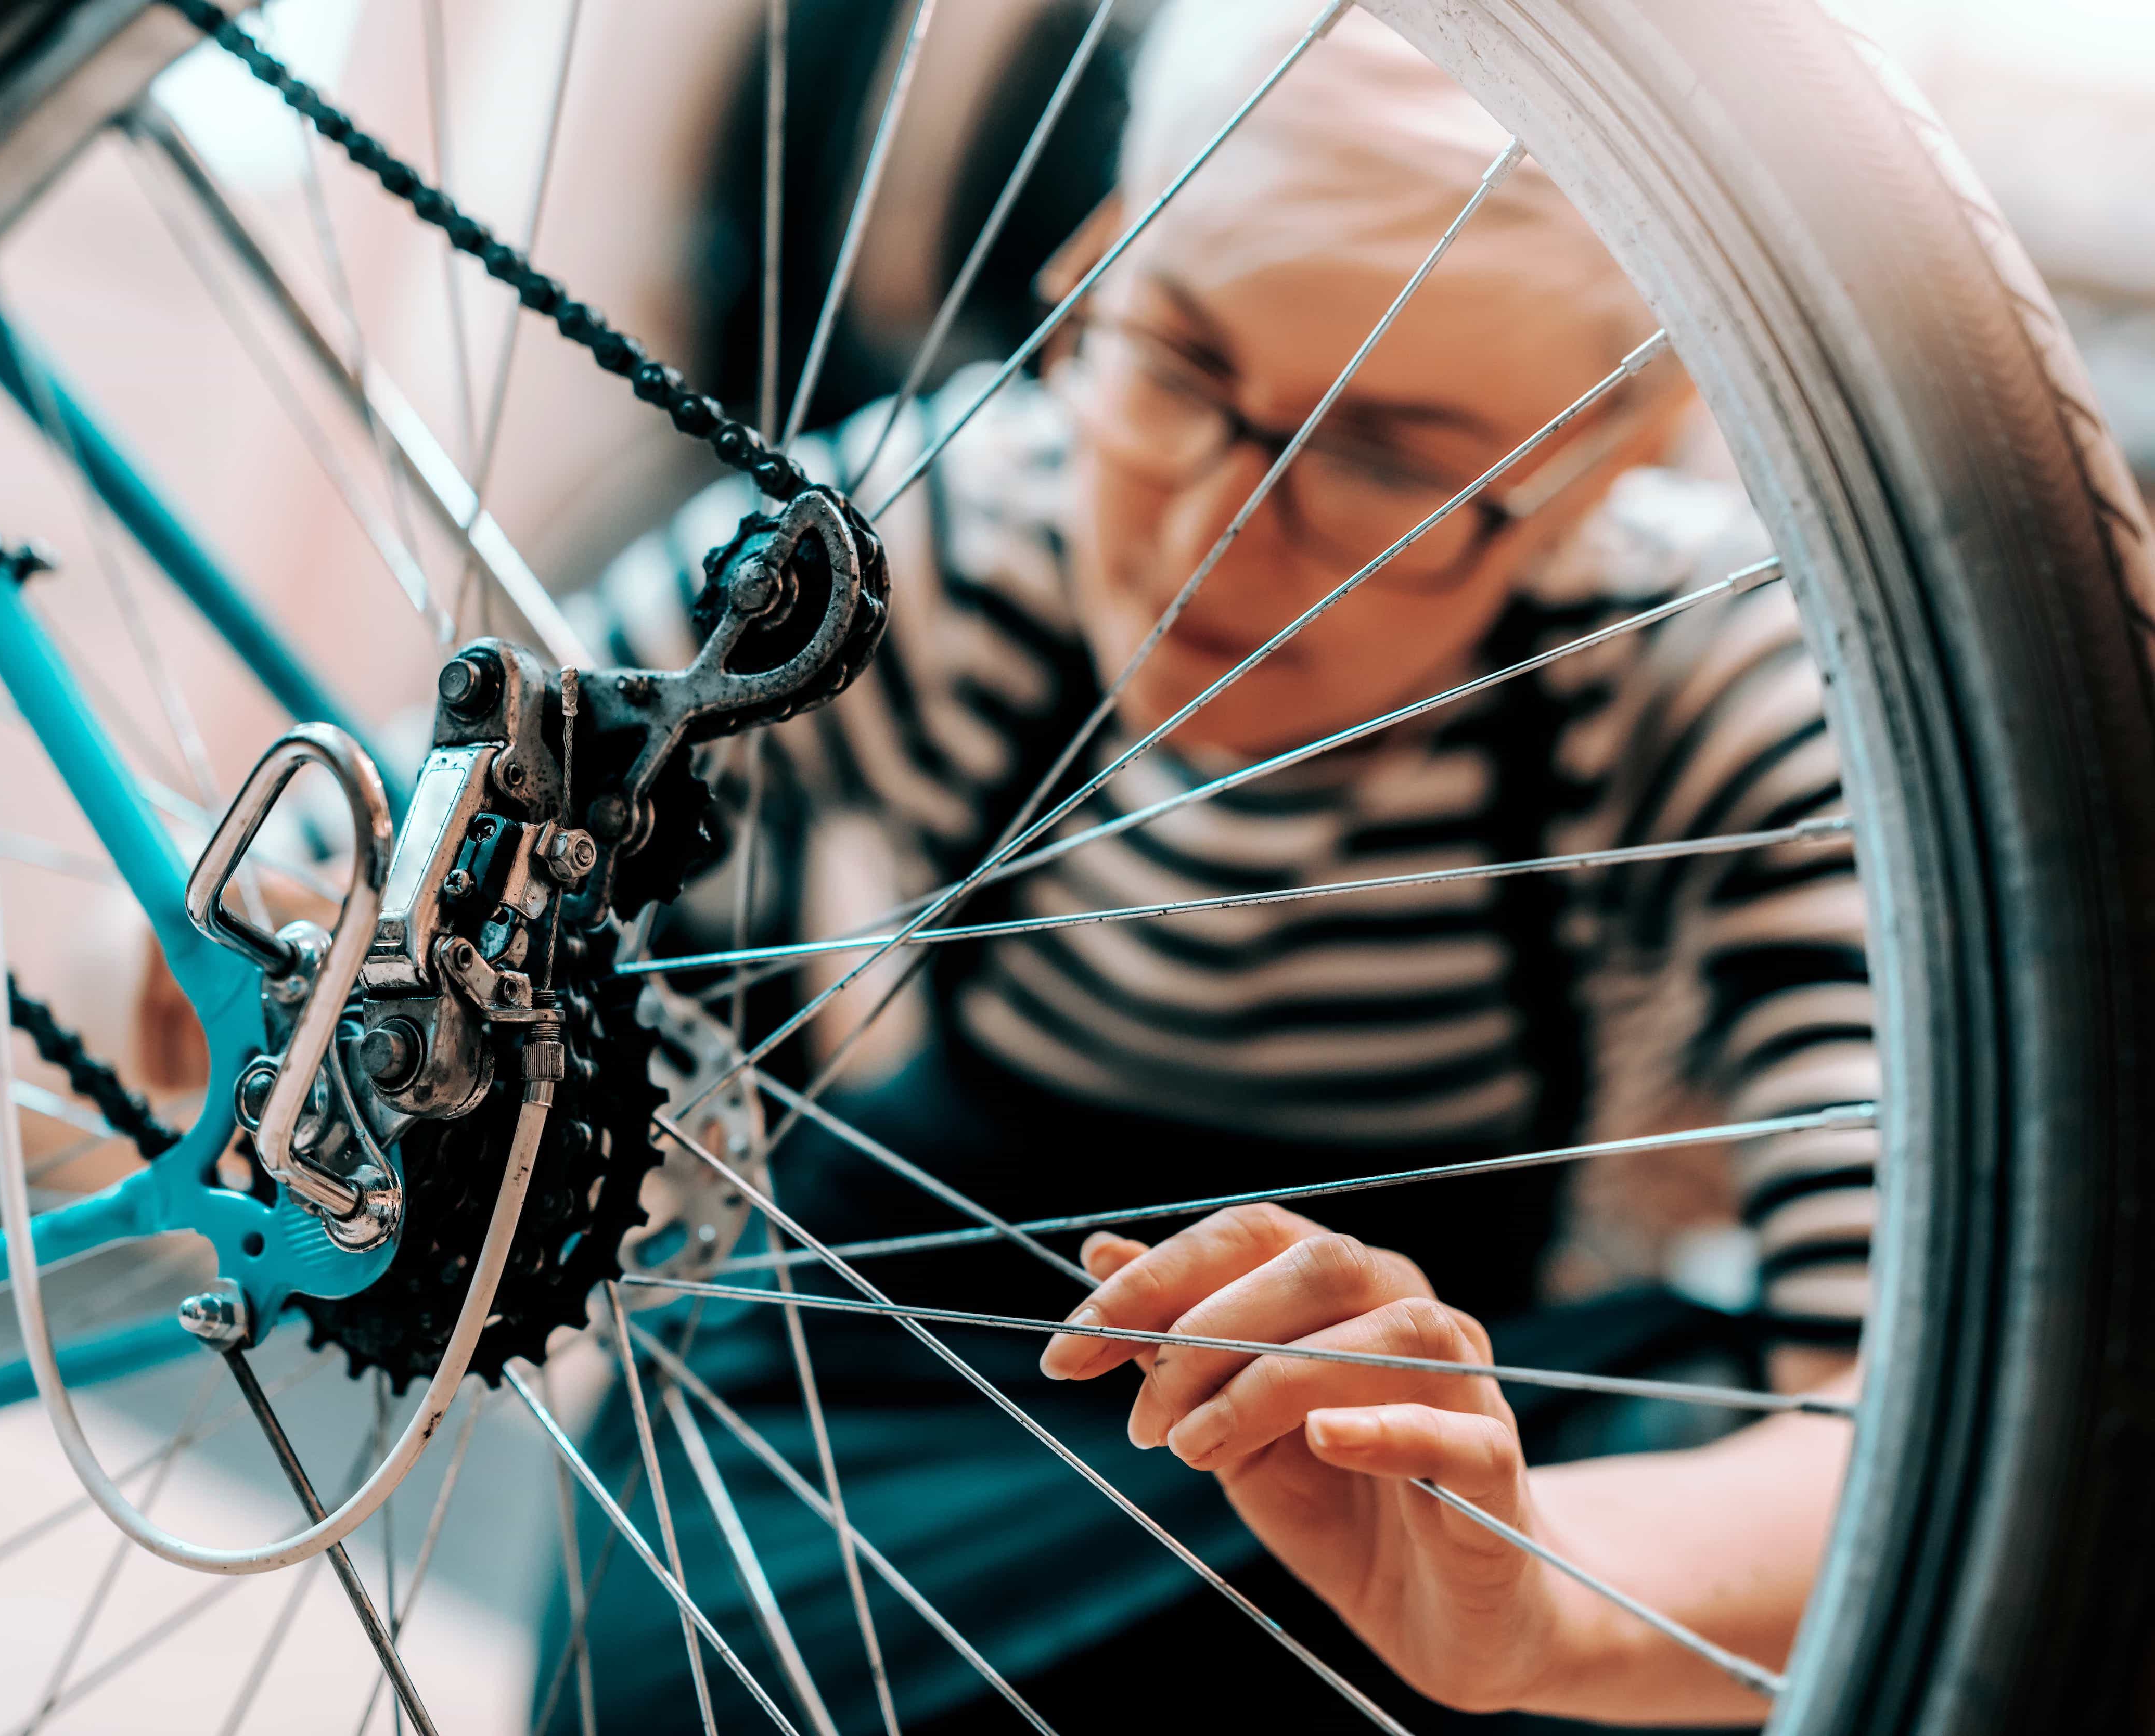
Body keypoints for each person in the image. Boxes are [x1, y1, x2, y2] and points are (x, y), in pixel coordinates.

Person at [554, 2, 1875, 1730]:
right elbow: (491, 790)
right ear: (1097, 269)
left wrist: (1541, 1590)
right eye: (1178, 359)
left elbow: (1921, 1393)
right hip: (893, 1401)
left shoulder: (1700, 683)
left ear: (1598, 468)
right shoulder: (946, 533)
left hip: (1390, 1439)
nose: (1213, 535)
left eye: (1386, 463)